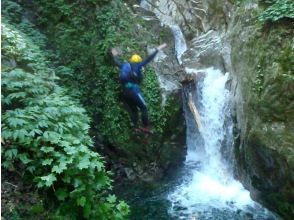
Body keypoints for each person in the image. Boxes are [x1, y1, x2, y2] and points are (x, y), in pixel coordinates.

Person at [111, 43, 167, 133]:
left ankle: (135, 127)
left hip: (125, 92)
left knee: (134, 110)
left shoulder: (125, 65)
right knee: (144, 108)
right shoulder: (138, 66)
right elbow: (149, 59)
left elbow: (117, 62)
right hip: (133, 91)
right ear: (138, 61)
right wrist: (157, 49)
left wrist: (115, 55)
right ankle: (145, 127)